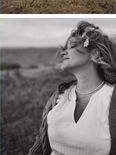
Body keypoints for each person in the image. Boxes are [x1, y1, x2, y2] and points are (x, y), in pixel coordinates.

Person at [28, 21, 116, 155]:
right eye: (64, 48)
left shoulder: (111, 98)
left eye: (72, 46)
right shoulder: (58, 97)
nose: (63, 53)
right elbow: (40, 144)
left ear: (94, 54)